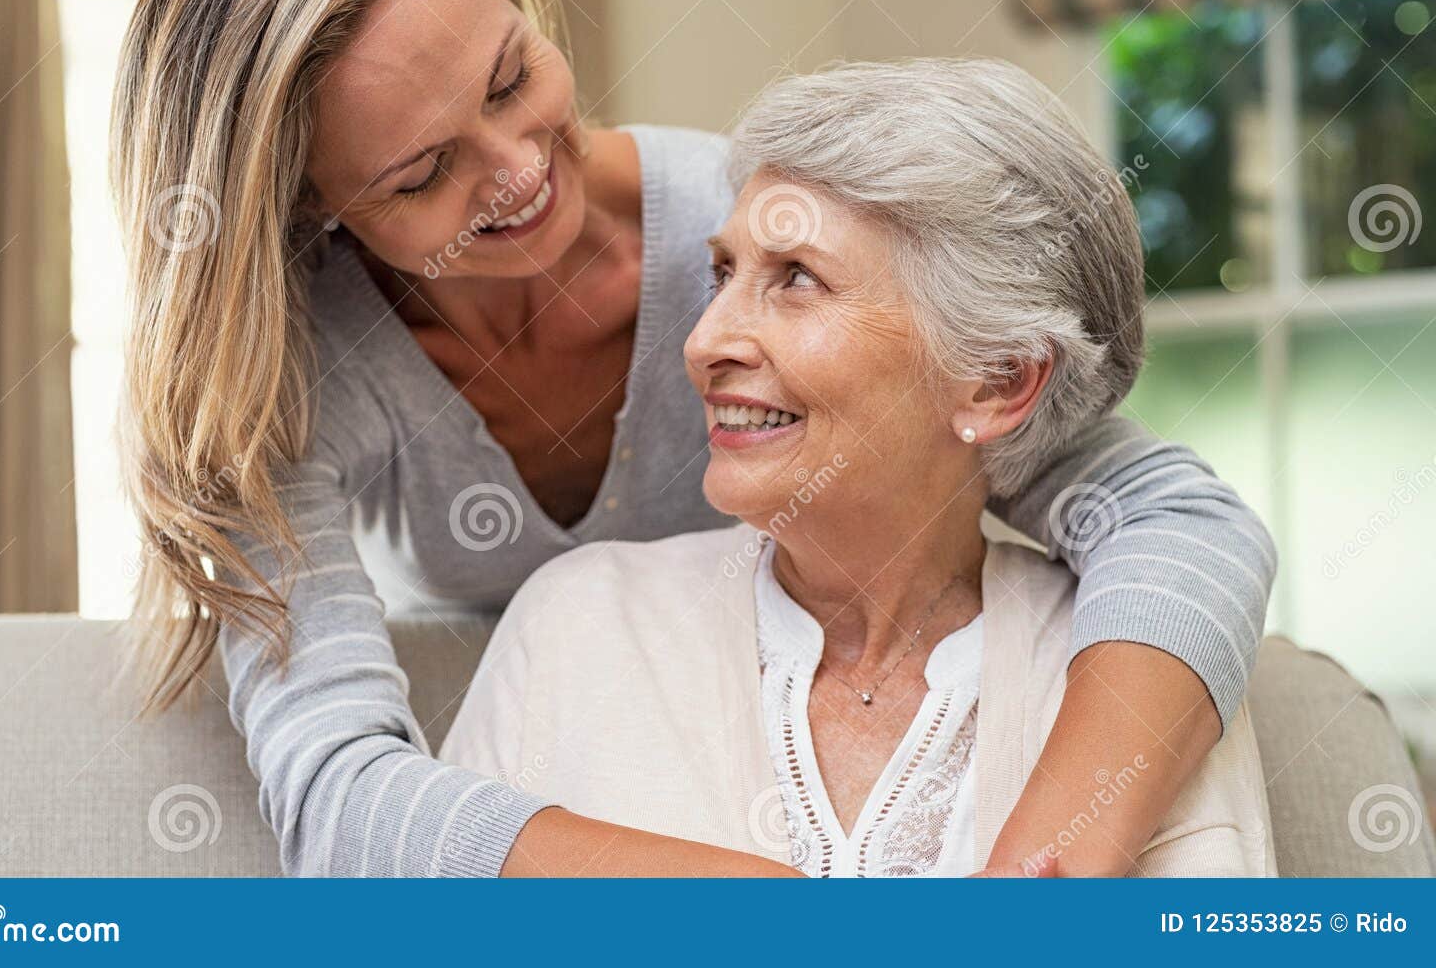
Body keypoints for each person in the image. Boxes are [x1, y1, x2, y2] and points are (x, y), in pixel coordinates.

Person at [112, 0, 1274, 876]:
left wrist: (1050, 869)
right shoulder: (284, 383)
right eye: (422, 175)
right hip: (542, 775)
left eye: (513, 80)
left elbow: (1166, 512)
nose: (518, 173)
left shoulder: (751, 227)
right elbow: (338, 801)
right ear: (311, 207)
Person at [442, 59, 1276, 877]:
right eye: (723, 272)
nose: (702, 342)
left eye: (797, 279)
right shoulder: (578, 622)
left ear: (998, 380)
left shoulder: (1140, 674)